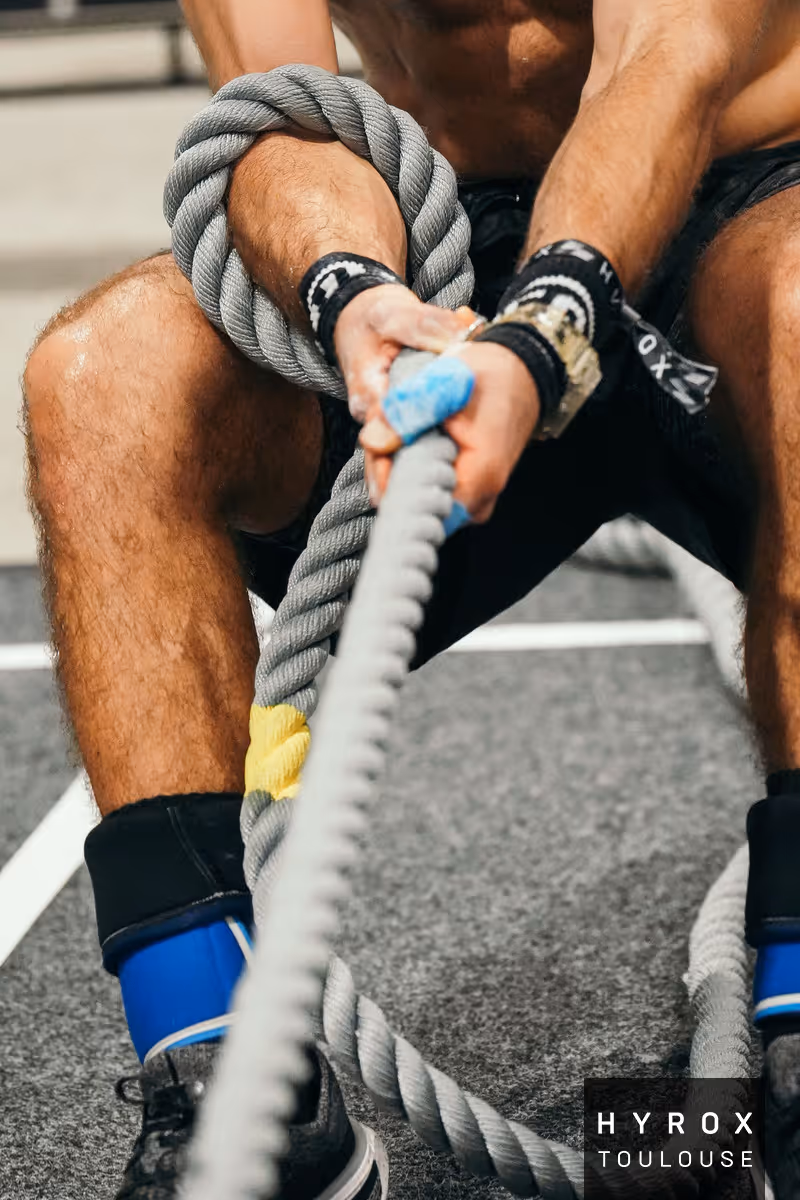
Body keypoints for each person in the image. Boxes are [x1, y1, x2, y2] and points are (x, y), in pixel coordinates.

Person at [21, 0, 800, 1195]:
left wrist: (545, 335)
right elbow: (288, 118)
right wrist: (354, 298)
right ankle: (228, 1070)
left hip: (745, 190)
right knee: (103, 375)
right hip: (449, 232)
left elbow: (672, 57)